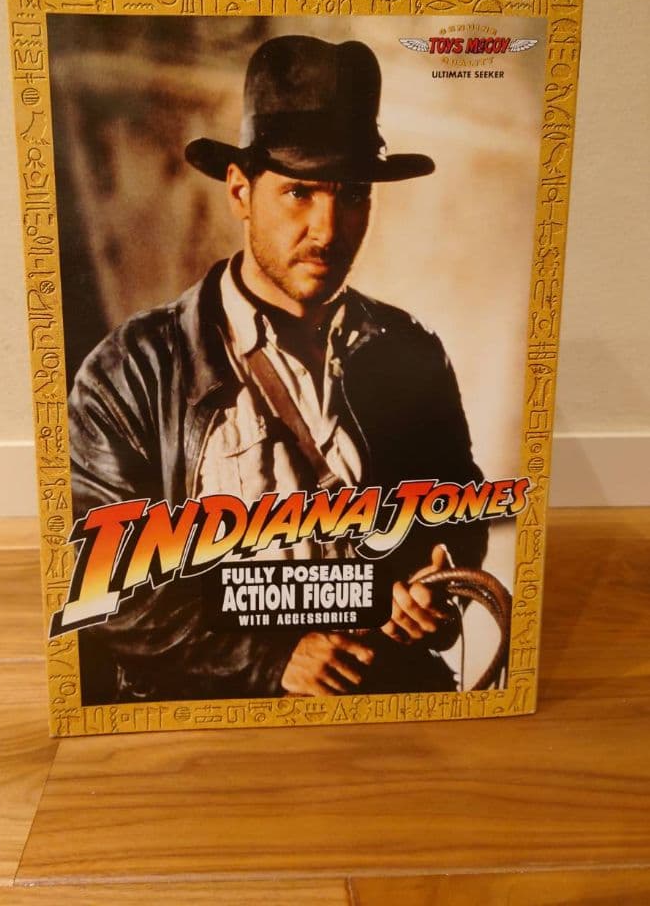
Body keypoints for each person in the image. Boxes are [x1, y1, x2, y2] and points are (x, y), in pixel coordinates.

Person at [69, 35, 487, 703]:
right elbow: (108, 585)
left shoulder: (409, 351)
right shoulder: (131, 373)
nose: (329, 228)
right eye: (299, 192)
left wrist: (434, 580)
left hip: (381, 702)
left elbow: (457, 509)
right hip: (211, 718)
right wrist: (270, 662)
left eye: (353, 194)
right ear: (240, 190)